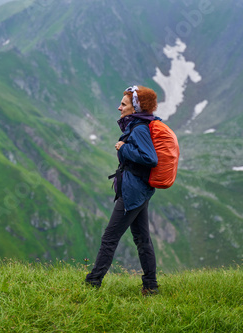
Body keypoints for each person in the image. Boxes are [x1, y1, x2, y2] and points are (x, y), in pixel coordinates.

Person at [85, 85, 160, 296]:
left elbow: (150, 158)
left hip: (133, 192)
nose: (119, 108)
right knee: (142, 239)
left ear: (136, 108)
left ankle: (92, 284)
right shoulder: (137, 125)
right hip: (139, 190)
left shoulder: (139, 129)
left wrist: (123, 147)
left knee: (109, 238)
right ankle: (151, 286)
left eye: (124, 104)